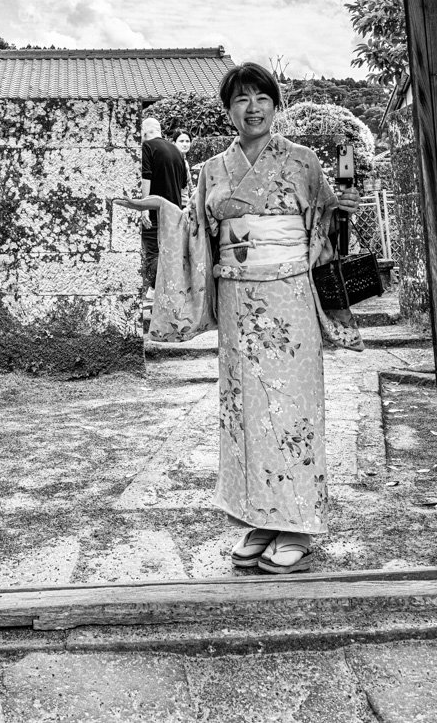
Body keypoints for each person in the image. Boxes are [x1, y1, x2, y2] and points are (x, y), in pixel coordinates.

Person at [189, 62, 359, 575]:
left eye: (261, 96)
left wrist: (342, 208)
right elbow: (196, 231)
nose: (253, 106)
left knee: (292, 409)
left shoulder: (304, 162)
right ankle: (260, 516)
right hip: (240, 301)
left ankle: (299, 524)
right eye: (241, 99)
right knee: (246, 413)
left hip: (289, 298)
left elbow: (327, 230)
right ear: (228, 110)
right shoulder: (212, 170)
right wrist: (164, 210)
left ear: (275, 104)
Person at [139, 116, 188, 296]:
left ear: (144, 131)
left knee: (153, 252)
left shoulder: (147, 147)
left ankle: (154, 292)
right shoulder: (176, 151)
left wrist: (144, 208)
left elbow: (146, 177)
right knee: (169, 252)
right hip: (173, 212)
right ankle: (169, 291)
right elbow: (183, 183)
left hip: (154, 212)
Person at [174, 129, 195, 198]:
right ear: (174, 143)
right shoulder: (174, 160)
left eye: (187, 141)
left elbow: (189, 183)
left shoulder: (184, 161)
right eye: (181, 141)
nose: (185, 144)